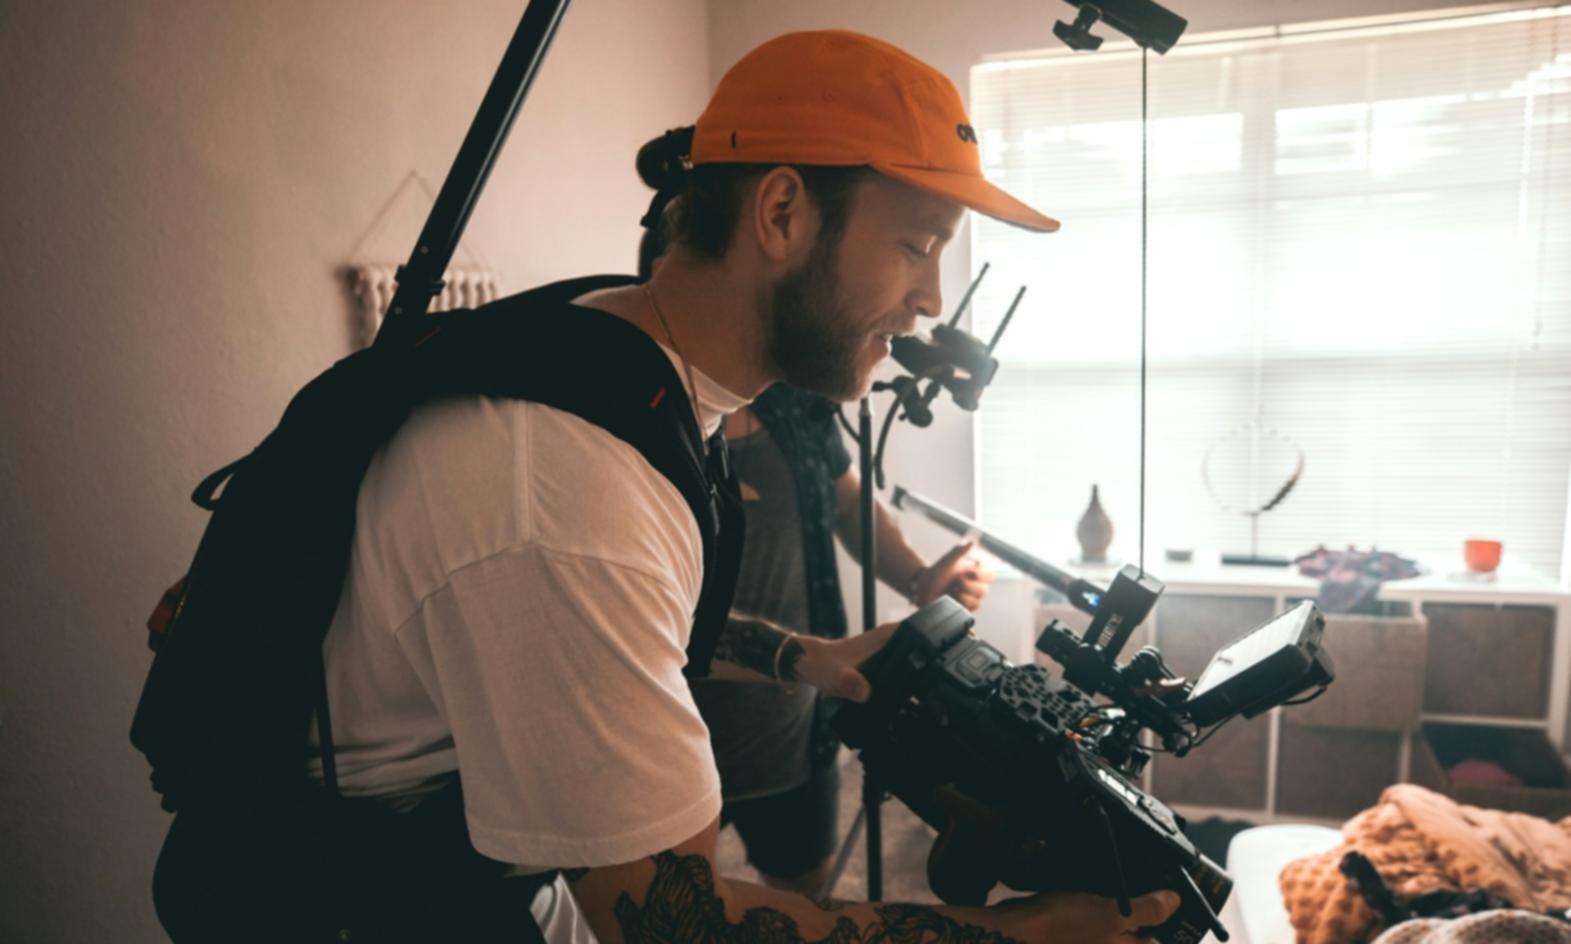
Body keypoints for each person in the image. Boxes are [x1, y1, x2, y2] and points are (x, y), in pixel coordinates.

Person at [316, 28, 1178, 943]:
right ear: (779, 214)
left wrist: (802, 656)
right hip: (375, 900)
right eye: (917, 246)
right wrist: (1022, 938)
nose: (930, 297)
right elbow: (672, 925)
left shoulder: (631, 366)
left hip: (490, 862)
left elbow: (645, 612)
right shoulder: (571, 480)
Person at [639, 170, 995, 898]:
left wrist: (922, 580)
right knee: (676, 909)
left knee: (800, 901)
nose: (926, 297)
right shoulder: (633, 427)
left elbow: (845, 505)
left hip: (794, 730)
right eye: (912, 246)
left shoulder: (795, 397)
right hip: (664, 745)